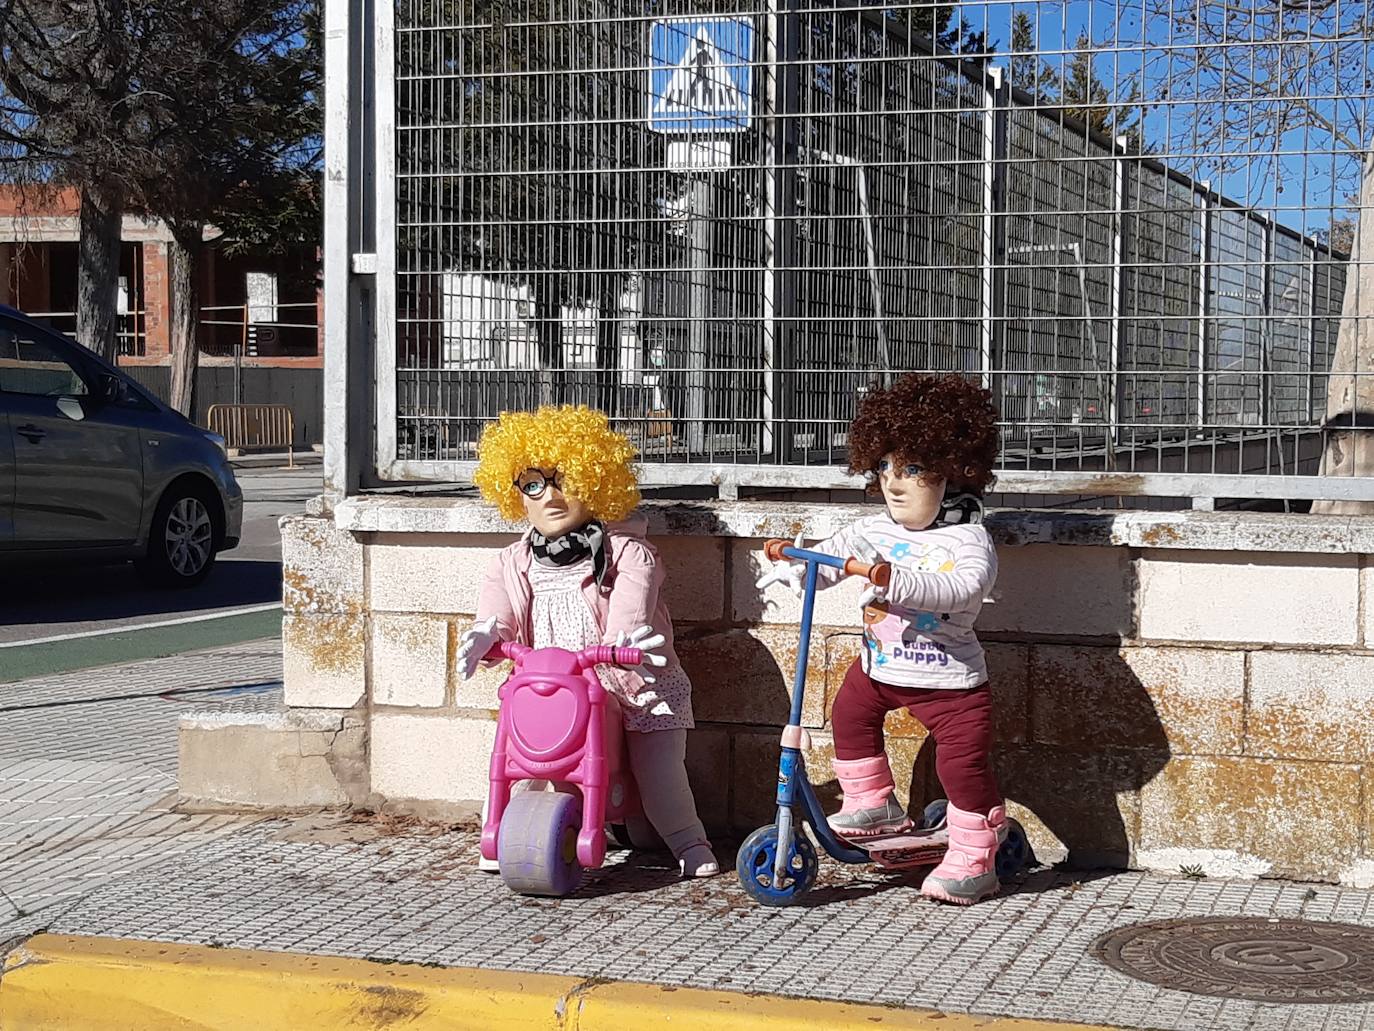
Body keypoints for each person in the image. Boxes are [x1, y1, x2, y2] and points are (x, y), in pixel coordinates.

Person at [756, 374, 1004, 905]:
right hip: (881, 669)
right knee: (849, 713)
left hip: (950, 683)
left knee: (961, 766)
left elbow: (964, 588)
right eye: (886, 468)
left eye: (912, 469)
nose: (894, 483)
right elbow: (829, 560)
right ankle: (873, 803)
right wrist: (797, 569)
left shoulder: (966, 538)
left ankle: (975, 851)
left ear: (956, 471)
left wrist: (892, 579)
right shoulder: (873, 529)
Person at [457, 404, 719, 878]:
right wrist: (486, 634)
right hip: (556, 691)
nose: (551, 498)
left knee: (659, 779)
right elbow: (500, 614)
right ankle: (504, 832)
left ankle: (689, 841)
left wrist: (626, 639)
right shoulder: (511, 562)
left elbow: (632, 605)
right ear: (516, 493)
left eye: (567, 481)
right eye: (534, 484)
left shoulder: (626, 552)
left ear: (596, 483)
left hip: (635, 686)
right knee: (531, 769)